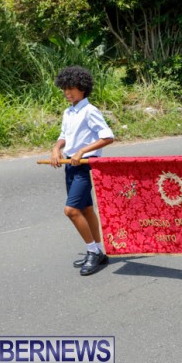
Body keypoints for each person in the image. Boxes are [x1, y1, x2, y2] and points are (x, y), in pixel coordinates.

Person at [50, 66, 115, 276]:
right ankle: (99, 251)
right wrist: (56, 148)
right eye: (64, 88)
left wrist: (82, 151)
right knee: (86, 209)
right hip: (70, 165)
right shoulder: (68, 112)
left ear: (82, 88)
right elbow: (64, 135)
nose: (66, 92)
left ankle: (92, 251)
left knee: (71, 210)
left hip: (85, 166)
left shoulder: (90, 111)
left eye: (71, 88)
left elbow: (107, 136)